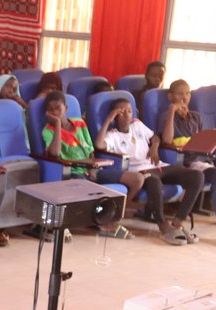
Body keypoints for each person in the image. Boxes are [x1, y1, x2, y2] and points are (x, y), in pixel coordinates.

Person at [94, 97, 204, 245]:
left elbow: (155, 137)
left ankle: (177, 222)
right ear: (115, 115)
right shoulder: (113, 135)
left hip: (159, 166)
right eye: (122, 112)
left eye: (130, 111)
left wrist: (154, 147)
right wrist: (108, 120)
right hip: (141, 171)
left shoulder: (137, 125)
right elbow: (99, 145)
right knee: (154, 182)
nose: (127, 114)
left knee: (197, 176)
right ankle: (163, 226)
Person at [162, 78, 216, 247]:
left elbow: (203, 140)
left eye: (187, 93)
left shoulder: (195, 116)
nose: (184, 97)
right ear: (170, 96)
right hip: (188, 162)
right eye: (180, 93)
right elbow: (167, 139)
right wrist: (173, 113)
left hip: (206, 156)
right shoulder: (166, 116)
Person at [41, 91, 134, 239]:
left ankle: (112, 217)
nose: (54, 112)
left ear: (65, 107)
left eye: (57, 108)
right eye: (50, 110)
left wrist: (93, 170)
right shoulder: (48, 130)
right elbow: (55, 153)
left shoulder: (80, 123)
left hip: (92, 169)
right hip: (71, 171)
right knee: (88, 187)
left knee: (135, 179)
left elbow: (90, 150)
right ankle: (103, 224)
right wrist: (58, 124)